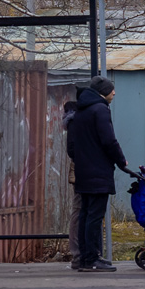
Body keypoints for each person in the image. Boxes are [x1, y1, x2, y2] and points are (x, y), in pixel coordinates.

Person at [66, 76, 128, 272]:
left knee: (85, 213)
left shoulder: (80, 111)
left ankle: (85, 257)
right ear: (103, 92)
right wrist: (121, 160)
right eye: (111, 90)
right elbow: (109, 140)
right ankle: (93, 258)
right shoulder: (100, 109)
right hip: (98, 171)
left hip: (84, 171)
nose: (114, 93)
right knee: (94, 215)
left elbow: (73, 145)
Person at [61, 99, 84, 270]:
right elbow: (73, 150)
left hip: (79, 173)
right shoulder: (78, 122)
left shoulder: (72, 123)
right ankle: (79, 254)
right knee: (79, 211)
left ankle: (78, 254)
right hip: (83, 173)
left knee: (78, 211)